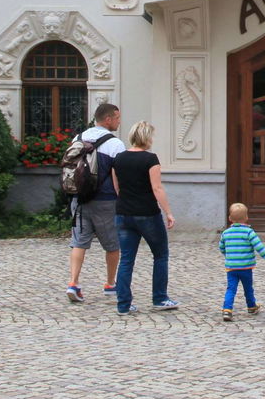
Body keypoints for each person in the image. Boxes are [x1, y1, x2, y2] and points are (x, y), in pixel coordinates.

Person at [109, 120, 179, 314]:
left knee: (126, 260)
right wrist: (168, 212)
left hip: (123, 213)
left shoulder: (119, 159)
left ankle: (123, 304)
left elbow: (117, 188)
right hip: (147, 213)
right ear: (147, 138)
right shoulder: (150, 159)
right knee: (160, 255)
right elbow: (157, 188)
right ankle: (160, 297)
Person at [64, 101, 124, 303]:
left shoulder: (78, 138)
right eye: (117, 118)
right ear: (107, 119)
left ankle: (73, 283)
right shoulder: (115, 144)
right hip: (105, 200)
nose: (119, 121)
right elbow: (118, 176)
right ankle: (110, 284)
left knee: (78, 242)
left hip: (79, 198)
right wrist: (121, 197)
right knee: (112, 244)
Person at [218, 202, 265, 321]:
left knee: (231, 289)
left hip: (231, 268)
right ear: (246, 218)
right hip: (246, 268)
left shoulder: (225, 233)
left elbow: (221, 247)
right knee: (248, 288)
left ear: (230, 218)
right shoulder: (249, 232)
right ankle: (251, 306)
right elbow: (259, 246)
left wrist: (228, 255)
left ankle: (227, 309)